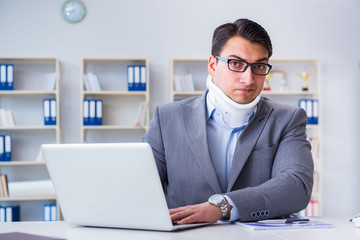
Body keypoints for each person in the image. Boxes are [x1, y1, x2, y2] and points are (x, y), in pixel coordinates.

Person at [142, 18, 313, 224]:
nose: (248, 79)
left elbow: (296, 186)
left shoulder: (287, 119)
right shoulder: (167, 118)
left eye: (259, 66)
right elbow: (139, 186)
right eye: (236, 63)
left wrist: (223, 206)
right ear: (213, 66)